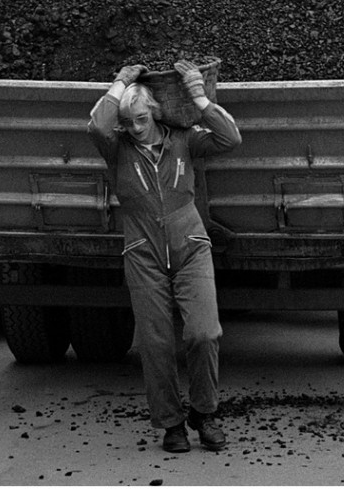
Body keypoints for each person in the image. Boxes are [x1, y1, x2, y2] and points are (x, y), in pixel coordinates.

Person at [87, 59, 241, 453]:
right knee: (155, 344)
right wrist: (120, 82)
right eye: (128, 121)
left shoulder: (185, 140)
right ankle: (171, 425)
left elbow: (230, 138)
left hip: (190, 247)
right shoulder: (116, 148)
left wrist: (198, 95)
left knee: (204, 334)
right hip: (143, 254)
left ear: (155, 113)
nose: (134, 128)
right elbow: (97, 125)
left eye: (140, 119)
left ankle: (204, 414)